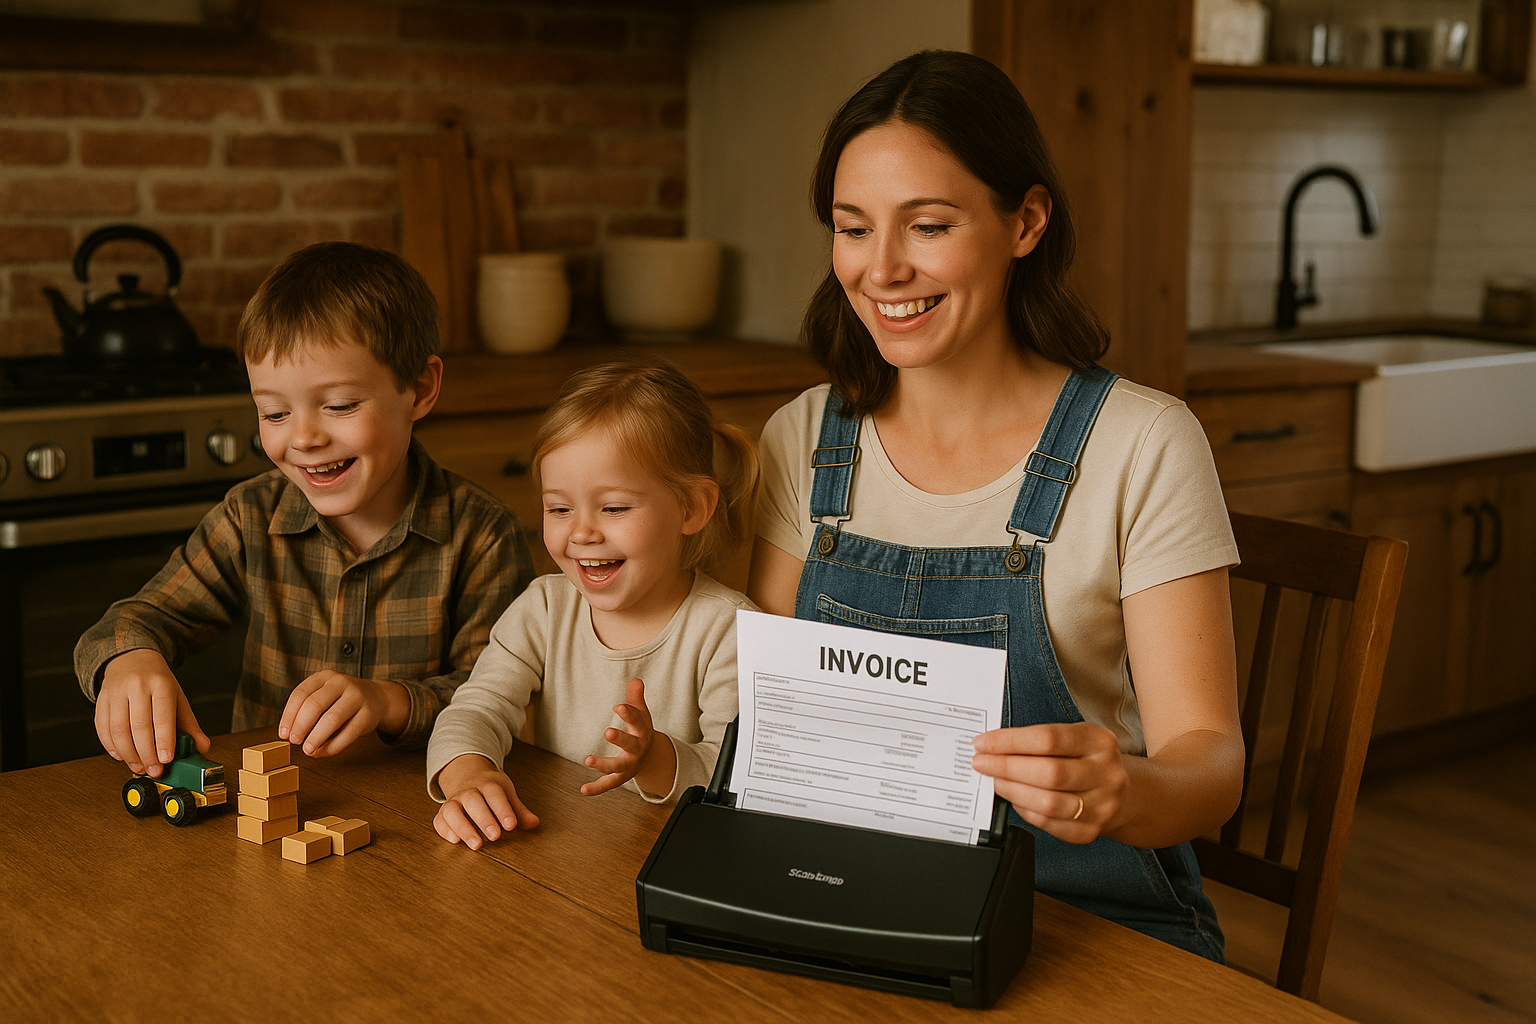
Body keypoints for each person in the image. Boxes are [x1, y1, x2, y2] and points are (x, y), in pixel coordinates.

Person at [747, 50, 1244, 960]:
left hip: (1088, 923)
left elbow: (1210, 764)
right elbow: (757, 710)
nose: (882, 269)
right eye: (853, 229)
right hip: (852, 903)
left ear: (1026, 221)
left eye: (928, 226)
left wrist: (1126, 789)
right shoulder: (802, 438)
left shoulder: (1144, 443)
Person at [75, 242, 534, 774]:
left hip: (429, 812)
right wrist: (130, 657)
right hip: (271, 812)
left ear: (420, 389)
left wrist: (389, 701)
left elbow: (502, 695)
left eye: (340, 406)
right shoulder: (249, 517)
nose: (305, 438)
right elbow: (132, 620)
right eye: (273, 413)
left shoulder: (483, 534)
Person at [427, 360, 762, 849]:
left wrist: (653, 760)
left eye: (614, 508)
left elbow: (735, 779)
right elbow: (476, 708)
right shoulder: (543, 608)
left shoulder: (731, 630)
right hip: (558, 850)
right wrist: (468, 774)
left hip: (672, 857)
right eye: (559, 509)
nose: (581, 532)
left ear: (692, 508)